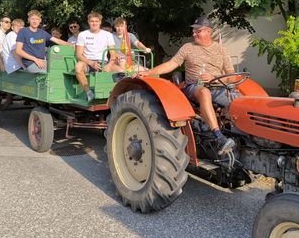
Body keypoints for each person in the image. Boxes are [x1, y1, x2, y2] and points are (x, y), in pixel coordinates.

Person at [139, 16, 237, 155]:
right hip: (194, 87)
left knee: (240, 101)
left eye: (198, 31)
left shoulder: (221, 50)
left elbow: (231, 76)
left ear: (209, 32)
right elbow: (171, 65)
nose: (194, 33)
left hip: (218, 86)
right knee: (204, 92)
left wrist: (214, 78)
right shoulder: (188, 48)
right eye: (194, 31)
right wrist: (148, 72)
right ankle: (219, 137)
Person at [75, 12, 123, 101]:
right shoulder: (83, 35)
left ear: (100, 22)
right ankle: (89, 92)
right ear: (88, 22)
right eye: (92, 21)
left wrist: (109, 65)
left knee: (121, 71)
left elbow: (113, 54)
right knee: (78, 67)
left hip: (103, 62)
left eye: (96, 21)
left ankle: (116, 94)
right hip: (88, 62)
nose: (94, 23)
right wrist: (91, 63)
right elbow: (78, 55)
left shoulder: (107, 35)